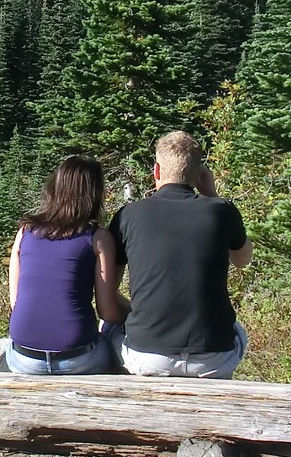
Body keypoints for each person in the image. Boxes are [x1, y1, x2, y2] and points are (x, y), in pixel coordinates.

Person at [104, 131, 254, 378]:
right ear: (199, 174)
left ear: (156, 171)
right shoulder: (222, 211)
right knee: (238, 331)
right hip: (213, 359)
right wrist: (212, 195)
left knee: (107, 328)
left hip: (148, 358)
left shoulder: (128, 215)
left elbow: (108, 293)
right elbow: (243, 259)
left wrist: (140, 314)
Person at [5, 156, 128, 375]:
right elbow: (108, 312)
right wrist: (134, 314)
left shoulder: (25, 232)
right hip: (79, 359)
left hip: (23, 358)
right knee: (113, 338)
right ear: (94, 194)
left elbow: (16, 302)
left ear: (55, 187)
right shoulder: (98, 239)